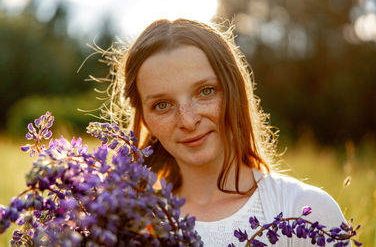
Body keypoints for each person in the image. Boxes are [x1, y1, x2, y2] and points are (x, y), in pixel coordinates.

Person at [103, 18, 349, 246]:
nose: (187, 121)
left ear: (234, 92)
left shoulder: (306, 211)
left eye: (206, 91)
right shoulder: (129, 223)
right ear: (144, 119)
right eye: (162, 105)